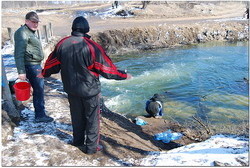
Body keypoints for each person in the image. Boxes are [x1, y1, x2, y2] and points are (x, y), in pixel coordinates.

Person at [41, 16, 132, 154]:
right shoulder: (92, 46)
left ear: (73, 28)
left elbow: (51, 64)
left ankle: (77, 142)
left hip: (71, 90)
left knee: (77, 117)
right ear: (87, 29)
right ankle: (91, 148)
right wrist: (124, 75)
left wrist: (43, 73)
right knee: (92, 120)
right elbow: (108, 70)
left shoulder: (62, 44)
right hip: (90, 91)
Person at [14, 11, 53, 123]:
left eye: (37, 22)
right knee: (39, 90)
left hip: (34, 64)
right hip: (31, 66)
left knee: (38, 90)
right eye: (33, 22)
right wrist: (21, 71)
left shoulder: (29, 31)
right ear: (26, 21)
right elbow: (19, 53)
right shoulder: (23, 33)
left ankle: (40, 113)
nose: (35, 24)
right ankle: (40, 115)